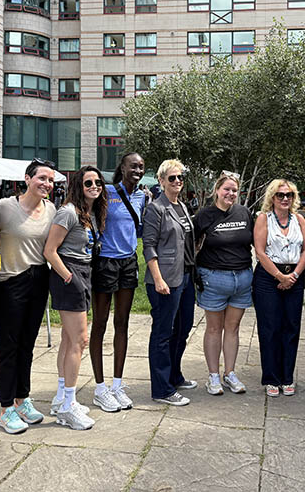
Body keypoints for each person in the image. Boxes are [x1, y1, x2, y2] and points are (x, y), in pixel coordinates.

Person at [0, 159, 57, 434]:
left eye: (51, 180)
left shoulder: (51, 209)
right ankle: (6, 408)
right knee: (8, 346)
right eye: (42, 178)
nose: (47, 184)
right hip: (9, 282)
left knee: (27, 345)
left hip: (38, 279)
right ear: (27, 179)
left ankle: (22, 399)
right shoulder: (5, 207)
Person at [44, 165, 107, 430]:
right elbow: (50, 250)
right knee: (80, 341)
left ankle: (61, 398)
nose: (94, 187)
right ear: (78, 186)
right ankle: (69, 405)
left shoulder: (89, 213)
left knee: (69, 339)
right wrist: (69, 277)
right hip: (70, 274)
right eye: (88, 183)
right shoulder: (68, 212)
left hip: (83, 272)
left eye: (98, 182)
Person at [89, 153, 147, 413]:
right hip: (105, 263)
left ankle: (117, 385)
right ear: (122, 168)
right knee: (100, 323)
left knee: (122, 322)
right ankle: (100, 389)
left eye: (141, 167)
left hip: (128, 263)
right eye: (133, 165)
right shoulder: (106, 192)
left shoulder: (142, 196)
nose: (137, 169)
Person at [193, 172, 254, 396]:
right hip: (214, 278)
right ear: (217, 190)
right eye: (226, 189)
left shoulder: (244, 213)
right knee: (214, 328)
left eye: (234, 190)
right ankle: (213, 376)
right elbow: (192, 244)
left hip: (242, 278)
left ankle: (230, 373)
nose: (231, 194)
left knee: (233, 328)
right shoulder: (205, 215)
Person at [142, 159, 197, 406]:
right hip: (164, 280)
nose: (177, 181)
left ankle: (174, 375)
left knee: (183, 329)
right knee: (163, 334)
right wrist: (157, 279)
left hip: (184, 277)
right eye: (172, 178)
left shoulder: (182, 207)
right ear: (161, 181)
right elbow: (149, 246)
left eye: (180, 178)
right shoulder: (156, 208)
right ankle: (162, 389)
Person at [252, 179, 305, 397]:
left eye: (289, 195)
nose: (285, 199)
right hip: (269, 278)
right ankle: (271, 378)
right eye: (280, 195)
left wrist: (293, 275)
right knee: (270, 328)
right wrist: (279, 276)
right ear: (272, 197)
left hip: (294, 277)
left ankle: (287, 377)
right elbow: (260, 251)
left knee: (291, 328)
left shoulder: (299, 220)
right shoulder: (263, 219)